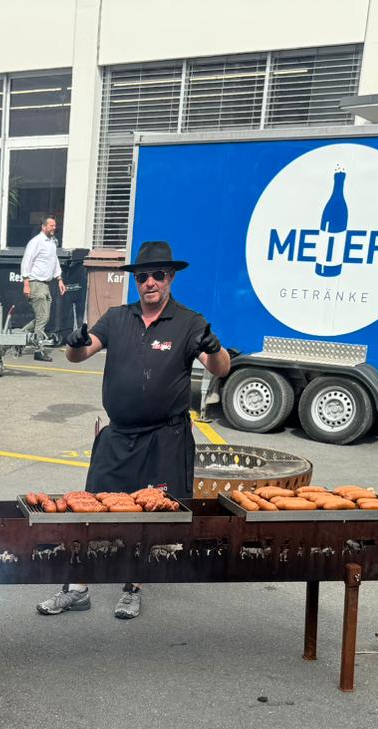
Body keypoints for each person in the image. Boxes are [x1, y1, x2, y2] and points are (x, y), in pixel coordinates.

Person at [37, 240, 232, 620]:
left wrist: (216, 347)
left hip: (165, 438)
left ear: (170, 278)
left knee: (150, 517)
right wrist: (73, 344)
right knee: (90, 508)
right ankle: (77, 588)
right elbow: (81, 353)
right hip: (119, 434)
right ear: (136, 281)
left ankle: (133, 585)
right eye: (143, 277)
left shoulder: (189, 322)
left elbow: (219, 367)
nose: (150, 283)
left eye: (158, 275)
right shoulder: (116, 317)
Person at [20, 216, 67, 362]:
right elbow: (26, 262)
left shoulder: (52, 242)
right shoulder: (36, 242)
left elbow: (55, 261)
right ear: (43, 227)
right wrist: (26, 283)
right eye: (51, 225)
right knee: (42, 317)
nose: (54, 228)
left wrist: (59, 279)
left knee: (42, 318)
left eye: (55, 225)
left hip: (46, 285)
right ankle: (38, 350)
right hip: (35, 283)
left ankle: (17, 338)